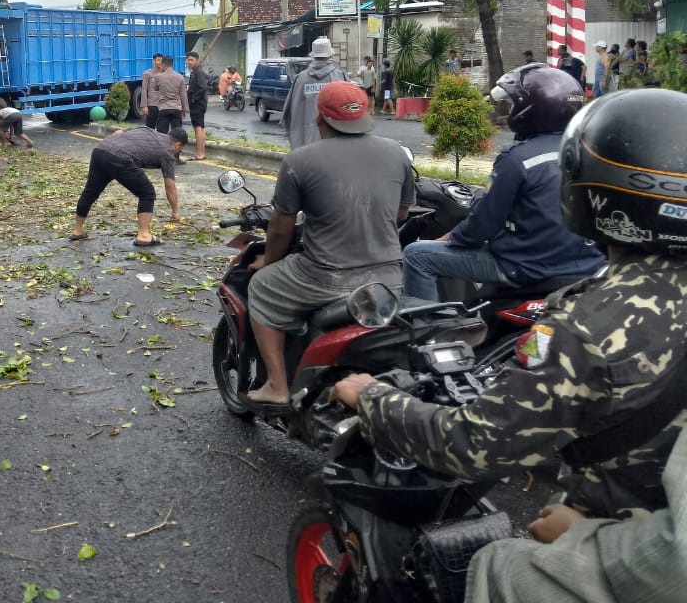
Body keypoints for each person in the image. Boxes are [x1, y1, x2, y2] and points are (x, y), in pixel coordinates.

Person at [333, 87, 687, 525]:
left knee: (494, 563)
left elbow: (471, 444)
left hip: (632, 534)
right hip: (580, 266)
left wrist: (371, 396)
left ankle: (428, 329)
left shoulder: (586, 328)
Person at [245, 81, 415, 405]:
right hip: (390, 277)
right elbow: (401, 213)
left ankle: (278, 386)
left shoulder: (300, 160)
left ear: (319, 118)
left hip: (325, 277)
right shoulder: (397, 152)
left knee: (262, 286)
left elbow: (281, 229)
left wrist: (269, 261)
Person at [401, 64, 603, 302]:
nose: (510, 110)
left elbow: (482, 226)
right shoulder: (593, 152)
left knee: (417, 255)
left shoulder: (518, 158)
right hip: (589, 266)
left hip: (527, 267)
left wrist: (447, 238)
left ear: (531, 109)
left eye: (513, 104)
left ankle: (428, 330)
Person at [464, 421, 687, 603]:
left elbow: (678, 565)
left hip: (639, 570)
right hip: (633, 538)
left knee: (500, 560)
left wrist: (580, 534)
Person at [70, 125, 186, 246]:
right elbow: (170, 186)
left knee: (90, 192)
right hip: (120, 157)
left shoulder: (147, 130)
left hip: (101, 149)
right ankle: (144, 235)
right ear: (177, 145)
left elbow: (118, 131)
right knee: (147, 193)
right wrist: (175, 211)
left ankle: (78, 230)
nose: (177, 153)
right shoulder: (167, 152)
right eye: (179, 150)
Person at [280, 36, 348, 149]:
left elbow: (289, 115)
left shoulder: (300, 79)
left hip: (305, 147)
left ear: (313, 55)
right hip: (335, 147)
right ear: (330, 55)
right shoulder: (340, 77)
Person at [153, 55, 189, 138]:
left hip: (164, 108)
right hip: (176, 108)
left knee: (162, 134)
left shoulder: (159, 77)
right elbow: (183, 95)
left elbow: (155, 88)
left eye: (161, 65)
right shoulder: (180, 77)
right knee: (177, 134)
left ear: (164, 65)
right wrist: (184, 110)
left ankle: (163, 149)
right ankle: (175, 149)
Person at [185, 51, 211, 160]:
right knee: (200, 127)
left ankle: (200, 153)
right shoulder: (194, 72)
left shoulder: (198, 72)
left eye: (191, 60)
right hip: (197, 104)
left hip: (198, 104)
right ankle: (201, 152)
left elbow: (203, 88)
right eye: (188, 60)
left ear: (197, 61)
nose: (189, 62)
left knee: (198, 128)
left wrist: (193, 99)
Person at [140, 53, 163, 128]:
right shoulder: (148, 74)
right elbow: (144, 90)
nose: (160, 62)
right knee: (150, 128)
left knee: (162, 128)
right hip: (152, 105)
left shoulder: (165, 73)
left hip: (163, 105)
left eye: (161, 60)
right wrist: (144, 106)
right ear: (153, 61)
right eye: (158, 60)